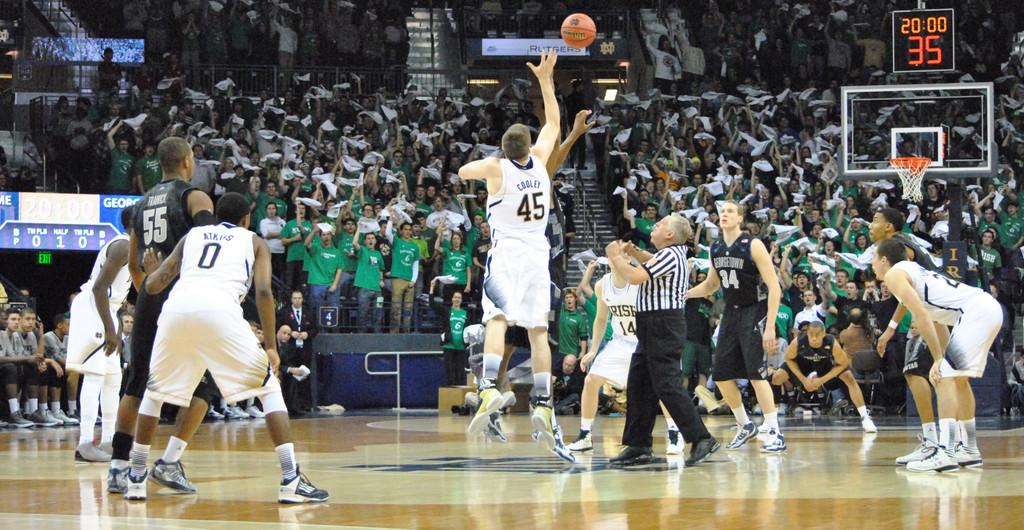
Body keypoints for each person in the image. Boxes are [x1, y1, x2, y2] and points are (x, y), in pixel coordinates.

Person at [127, 192, 327, 503]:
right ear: (247, 218)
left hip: (176, 311)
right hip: (219, 312)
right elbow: (263, 292)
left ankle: (136, 476)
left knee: (154, 393)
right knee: (269, 388)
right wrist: (271, 346)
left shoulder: (191, 236)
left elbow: (152, 286)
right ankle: (291, 478)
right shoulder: (254, 241)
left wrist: (150, 269)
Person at [458, 50, 575, 462]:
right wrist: (546, 80)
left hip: (506, 255)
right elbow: (555, 124)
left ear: (504, 150)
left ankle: (489, 386)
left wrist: (494, 161)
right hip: (538, 258)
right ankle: (543, 400)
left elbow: (461, 173)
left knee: (497, 319)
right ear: (530, 146)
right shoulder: (541, 164)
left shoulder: (496, 168)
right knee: (538, 331)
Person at [107, 136, 217, 495]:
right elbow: (208, 248)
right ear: (188, 160)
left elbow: (135, 261)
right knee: (206, 385)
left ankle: (118, 467)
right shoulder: (194, 197)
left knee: (137, 382)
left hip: (150, 299)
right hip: (185, 297)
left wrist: (149, 288)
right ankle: (169, 462)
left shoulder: (141, 203)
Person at [871, 238, 1002, 472]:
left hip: (976, 312)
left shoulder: (894, 275)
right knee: (958, 380)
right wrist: (940, 355)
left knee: (944, 377)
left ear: (884, 259)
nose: (871, 264)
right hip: (986, 308)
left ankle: (946, 452)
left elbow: (921, 315)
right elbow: (935, 317)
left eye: (873, 257)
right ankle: (969, 449)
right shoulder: (913, 270)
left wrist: (939, 360)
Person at [607, 214, 720, 466]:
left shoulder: (670, 255)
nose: (655, 224)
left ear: (670, 234)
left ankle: (702, 438)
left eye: (660, 224)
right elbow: (650, 261)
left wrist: (615, 257)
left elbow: (635, 277)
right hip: (652, 325)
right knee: (639, 384)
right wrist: (635, 251)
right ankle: (638, 445)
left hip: (663, 324)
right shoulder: (670, 254)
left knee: (666, 384)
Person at [688, 201, 785, 453]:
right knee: (720, 375)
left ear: (740, 219)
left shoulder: (753, 244)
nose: (724, 215)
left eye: (730, 211)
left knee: (756, 374)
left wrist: (770, 326)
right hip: (731, 312)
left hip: (755, 310)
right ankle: (745, 424)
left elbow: (774, 287)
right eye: (722, 212)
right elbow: (711, 285)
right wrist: (685, 293)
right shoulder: (715, 248)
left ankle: (774, 430)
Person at [566, 245, 650, 452]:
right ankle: (585, 435)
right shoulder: (603, 284)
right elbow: (601, 318)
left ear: (628, 259)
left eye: (621, 252)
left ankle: (674, 434)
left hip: (643, 342)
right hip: (619, 342)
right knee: (591, 380)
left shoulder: (640, 280)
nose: (615, 255)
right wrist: (593, 350)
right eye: (612, 253)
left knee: (662, 387)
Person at [66, 206, 134, 462]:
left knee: (113, 379)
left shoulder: (131, 246)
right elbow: (98, 288)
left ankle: (107, 441)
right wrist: (109, 328)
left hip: (107, 309)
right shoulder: (122, 246)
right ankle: (85, 443)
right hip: (93, 307)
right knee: (94, 376)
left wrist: (114, 324)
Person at [771, 321, 877, 433]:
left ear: (823, 334)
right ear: (807, 333)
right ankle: (771, 421)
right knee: (777, 377)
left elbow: (843, 364)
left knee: (849, 378)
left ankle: (865, 418)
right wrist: (803, 379)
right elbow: (788, 359)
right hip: (802, 363)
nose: (814, 338)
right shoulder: (798, 341)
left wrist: (821, 380)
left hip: (824, 363)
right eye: (811, 334)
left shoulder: (832, 342)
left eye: (817, 335)